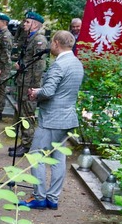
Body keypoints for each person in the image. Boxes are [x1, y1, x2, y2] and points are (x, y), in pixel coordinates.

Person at [18, 30, 84, 209]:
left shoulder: (58, 65)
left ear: (56, 43)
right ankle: (53, 198)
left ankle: (39, 197)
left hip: (52, 119)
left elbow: (48, 91)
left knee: (35, 155)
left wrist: (35, 92)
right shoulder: (77, 63)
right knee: (58, 158)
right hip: (68, 118)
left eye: (51, 42)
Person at [9, 11, 49, 157]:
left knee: (27, 114)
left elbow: (39, 65)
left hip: (30, 84)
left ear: (35, 24)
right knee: (22, 113)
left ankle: (27, 145)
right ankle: (23, 142)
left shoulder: (39, 40)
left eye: (27, 22)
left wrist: (34, 87)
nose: (24, 24)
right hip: (23, 81)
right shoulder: (29, 37)